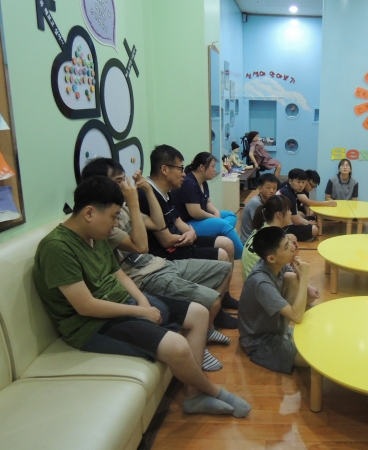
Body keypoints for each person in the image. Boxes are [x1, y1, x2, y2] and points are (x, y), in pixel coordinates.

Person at [33, 176, 251, 417]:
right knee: (177, 345)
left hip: (121, 303)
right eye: (114, 216)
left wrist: (143, 300)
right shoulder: (57, 248)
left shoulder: (95, 234)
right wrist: (140, 311)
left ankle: (193, 395)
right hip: (90, 325)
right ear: (89, 213)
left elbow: (117, 273)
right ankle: (214, 391)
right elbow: (86, 306)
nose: (116, 223)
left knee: (199, 313)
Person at [81, 158, 233, 369]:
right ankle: (203, 339)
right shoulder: (105, 222)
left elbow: (159, 224)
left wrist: (147, 191)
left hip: (159, 263)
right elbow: (142, 246)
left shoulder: (123, 210)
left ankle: (206, 330)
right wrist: (133, 202)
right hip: (145, 275)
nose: (125, 186)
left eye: (124, 180)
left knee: (225, 267)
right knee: (212, 301)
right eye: (118, 182)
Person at [140, 144, 238, 328]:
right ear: (164, 169)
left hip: (182, 240)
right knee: (222, 255)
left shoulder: (166, 192)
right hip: (168, 251)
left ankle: (224, 297)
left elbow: (177, 221)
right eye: (180, 168)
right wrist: (189, 236)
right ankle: (216, 311)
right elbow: (165, 240)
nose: (184, 173)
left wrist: (191, 232)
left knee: (227, 244)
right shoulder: (147, 195)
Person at [238, 226, 310, 374]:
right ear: (271, 258)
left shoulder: (273, 264)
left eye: (289, 242)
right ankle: (280, 337)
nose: (293, 248)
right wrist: (304, 278)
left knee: (292, 278)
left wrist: (299, 275)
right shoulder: (261, 283)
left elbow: (292, 278)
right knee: (310, 358)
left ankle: (282, 332)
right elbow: (297, 317)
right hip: (259, 341)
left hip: (273, 327)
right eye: (286, 247)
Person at [171, 152, 244, 260]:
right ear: (201, 167)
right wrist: (214, 218)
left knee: (231, 215)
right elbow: (195, 212)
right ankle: (243, 255)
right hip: (189, 223)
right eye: (213, 166)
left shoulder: (203, 181)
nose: (215, 170)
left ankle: (221, 235)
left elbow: (208, 202)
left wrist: (215, 212)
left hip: (201, 218)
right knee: (224, 225)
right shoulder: (189, 183)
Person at [276, 168, 318, 242]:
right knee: (314, 229)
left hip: (288, 221)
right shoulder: (288, 194)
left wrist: (308, 221)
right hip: (282, 227)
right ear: (290, 181)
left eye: (303, 182)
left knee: (312, 218)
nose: (301, 185)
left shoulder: (290, 190)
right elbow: (295, 220)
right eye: (298, 182)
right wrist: (309, 223)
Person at [240, 173, 279, 243]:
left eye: (274, 188)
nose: (272, 191)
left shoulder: (268, 201)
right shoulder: (255, 203)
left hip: (259, 237)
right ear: (260, 188)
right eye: (268, 187)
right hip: (250, 242)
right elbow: (263, 226)